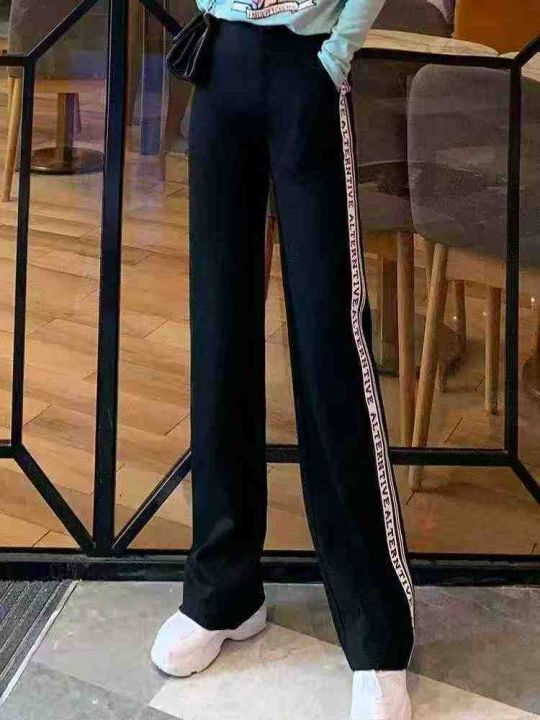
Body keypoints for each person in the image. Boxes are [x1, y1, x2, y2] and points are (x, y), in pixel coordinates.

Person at [151, 0, 415, 717]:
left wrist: (338, 50)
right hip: (221, 61)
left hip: (309, 62)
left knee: (331, 338)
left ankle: (375, 628)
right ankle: (222, 590)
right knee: (219, 328)